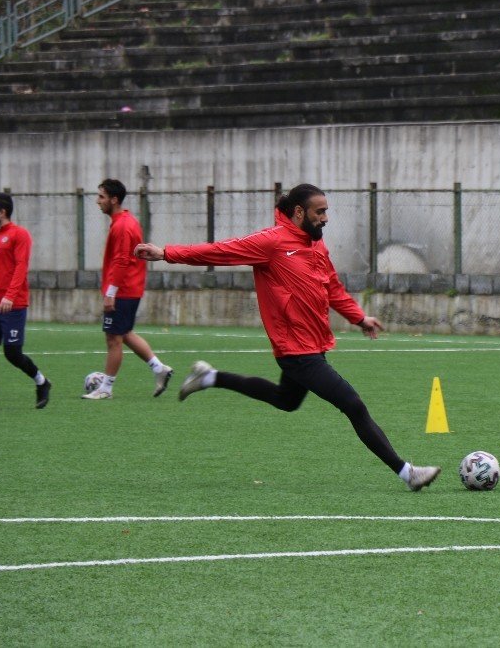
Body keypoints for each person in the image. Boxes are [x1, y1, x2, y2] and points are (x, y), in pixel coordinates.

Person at [134, 184, 441, 491]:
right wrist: (166, 253)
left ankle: (211, 377)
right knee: (353, 404)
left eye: (326, 212)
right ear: (298, 212)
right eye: (319, 212)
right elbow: (220, 250)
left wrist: (358, 317)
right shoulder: (271, 242)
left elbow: (331, 286)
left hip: (313, 345)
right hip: (295, 349)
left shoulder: (316, 245)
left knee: (286, 400)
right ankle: (407, 473)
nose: (325, 218)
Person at [82, 178, 172, 399]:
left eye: (101, 197)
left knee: (113, 339)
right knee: (125, 333)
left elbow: (122, 261)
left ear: (114, 199)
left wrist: (111, 293)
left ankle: (106, 388)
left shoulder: (123, 225)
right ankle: (159, 368)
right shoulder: (125, 221)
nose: (97, 201)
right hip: (130, 288)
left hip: (123, 290)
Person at [0, 193, 51, 410]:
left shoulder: (19, 235)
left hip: (12, 305)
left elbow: (20, 267)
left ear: (2, 212)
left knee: (12, 353)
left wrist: (10, 296)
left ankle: (41, 382)